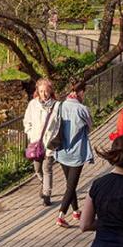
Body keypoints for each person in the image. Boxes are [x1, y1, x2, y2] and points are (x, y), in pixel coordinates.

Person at [53, 84, 94, 228]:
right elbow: (90, 126)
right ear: (81, 92)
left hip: (62, 151)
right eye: (84, 93)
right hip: (77, 152)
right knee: (71, 186)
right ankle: (61, 215)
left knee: (70, 184)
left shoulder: (61, 106)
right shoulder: (82, 109)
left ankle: (76, 211)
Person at [23, 78, 60, 206]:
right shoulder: (33, 104)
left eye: (46, 91)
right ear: (37, 91)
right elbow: (27, 121)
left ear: (50, 91)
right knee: (37, 168)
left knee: (47, 168)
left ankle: (46, 195)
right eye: (41, 91)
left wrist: (54, 141)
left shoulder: (57, 106)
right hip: (36, 144)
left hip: (49, 144)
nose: (44, 94)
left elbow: (59, 125)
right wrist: (30, 135)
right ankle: (43, 183)